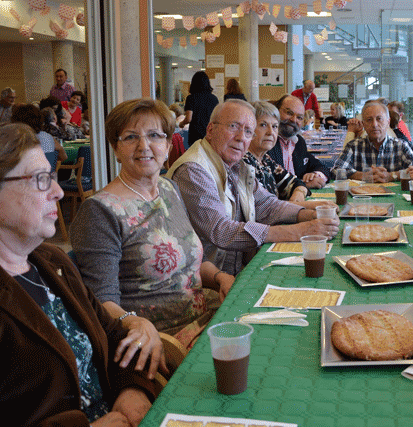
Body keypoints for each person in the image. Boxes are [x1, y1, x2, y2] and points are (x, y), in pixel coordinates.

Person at [0, 123, 159, 426]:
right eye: (41, 180)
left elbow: (113, 335)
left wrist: (132, 390)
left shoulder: (51, 261)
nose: (58, 192)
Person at [69, 98, 235, 349]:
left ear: (168, 145)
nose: (143, 146)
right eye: (130, 137)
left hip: (206, 321)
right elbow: (101, 301)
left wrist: (221, 278)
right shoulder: (99, 212)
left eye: (155, 135)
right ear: (115, 148)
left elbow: (192, 261)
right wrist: (133, 322)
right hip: (160, 342)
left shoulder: (168, 188)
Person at [168, 100, 339, 275]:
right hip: (204, 284)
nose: (241, 137)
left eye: (248, 131)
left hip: (234, 272)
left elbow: (267, 204)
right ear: (210, 130)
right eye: (233, 126)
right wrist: (298, 231)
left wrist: (309, 214)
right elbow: (221, 231)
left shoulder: (235, 164)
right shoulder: (193, 169)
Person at [243, 100, 325, 203]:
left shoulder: (265, 160)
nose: (270, 132)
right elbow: (265, 209)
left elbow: (294, 182)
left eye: (274, 126)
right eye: (263, 125)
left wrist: (299, 192)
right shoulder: (244, 163)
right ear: (248, 129)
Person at [331, 101, 413, 182]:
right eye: (369, 120)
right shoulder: (354, 146)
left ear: (388, 122)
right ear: (363, 125)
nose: (374, 125)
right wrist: (363, 175)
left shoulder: (400, 146)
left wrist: (392, 176)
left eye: (379, 119)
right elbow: (336, 170)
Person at [267, 95, 331, 189]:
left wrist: (315, 175)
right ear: (276, 112)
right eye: (289, 113)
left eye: (300, 117)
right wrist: (302, 185)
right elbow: (268, 183)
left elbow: (320, 166)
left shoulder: (298, 142)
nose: (294, 120)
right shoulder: (267, 141)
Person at [179, 71, 219, 146]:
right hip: (210, 133)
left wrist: (181, 124)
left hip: (195, 134)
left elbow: (188, 118)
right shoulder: (214, 99)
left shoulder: (191, 98)